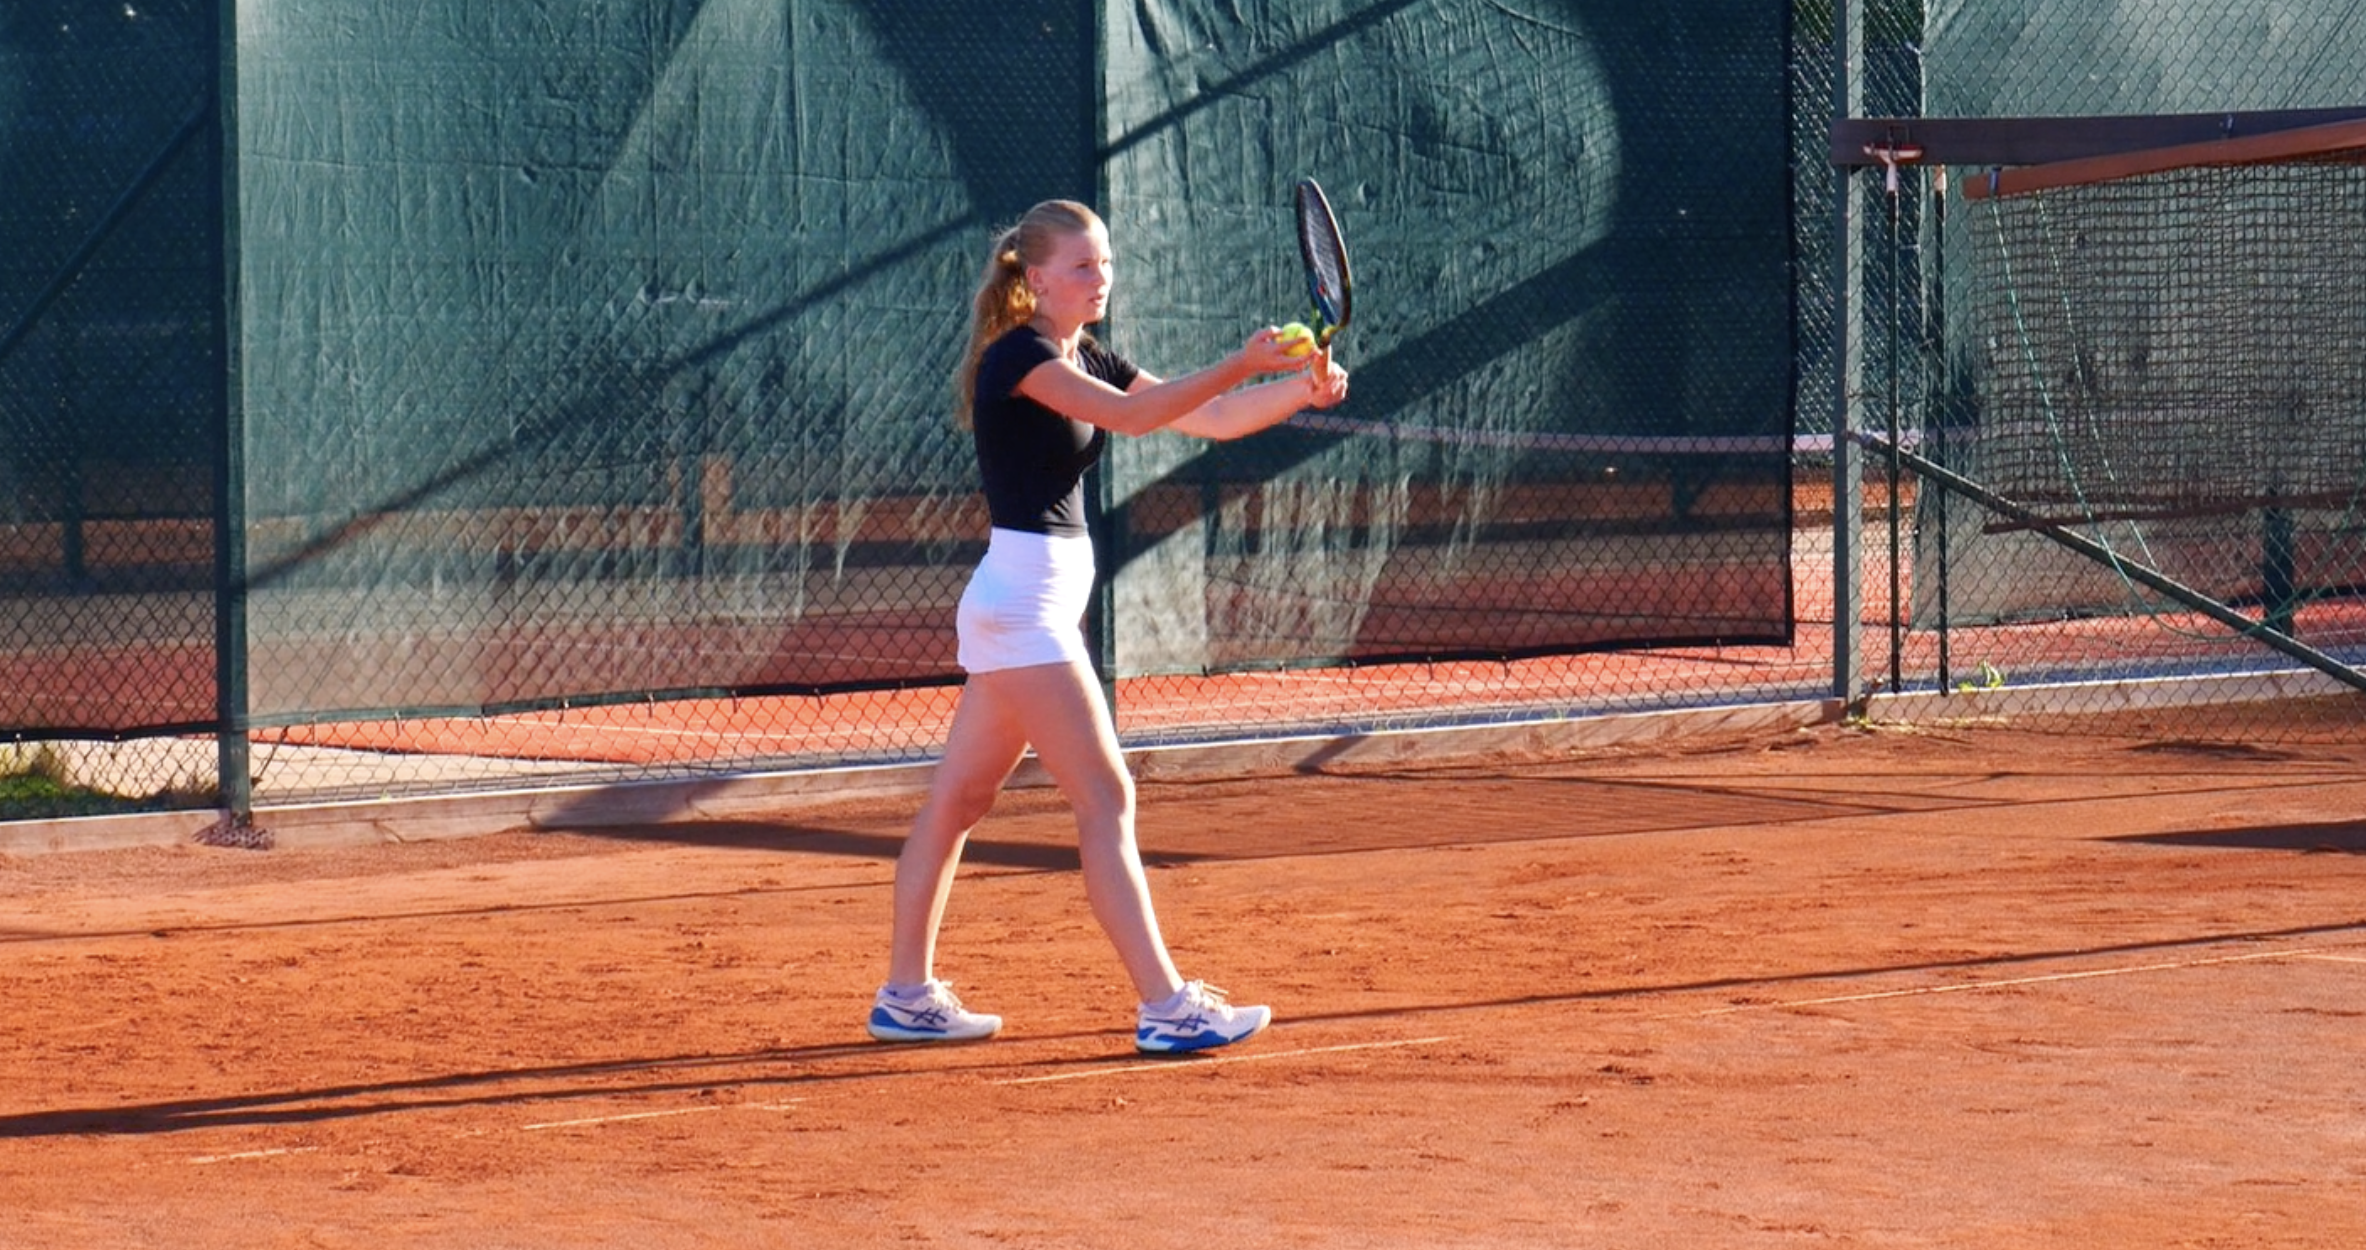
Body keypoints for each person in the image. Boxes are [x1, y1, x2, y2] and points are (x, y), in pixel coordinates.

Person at [868, 199, 1350, 1053]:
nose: (1102, 280)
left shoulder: (1086, 353)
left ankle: (906, 996)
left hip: (1025, 608)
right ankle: (1166, 1008)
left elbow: (1208, 419)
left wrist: (1296, 390)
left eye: (1108, 264)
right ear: (1037, 277)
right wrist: (1241, 361)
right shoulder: (1019, 357)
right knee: (1106, 796)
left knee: (958, 803)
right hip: (1023, 610)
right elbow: (1133, 419)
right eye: (1083, 267)